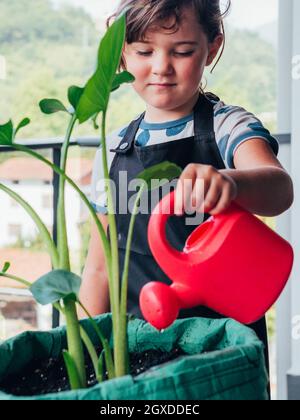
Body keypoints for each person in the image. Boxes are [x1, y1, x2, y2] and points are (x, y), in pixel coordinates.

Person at [79, 0, 294, 386]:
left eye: (182, 51)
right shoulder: (111, 148)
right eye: (144, 51)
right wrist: (86, 355)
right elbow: (99, 267)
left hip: (222, 350)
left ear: (212, 47)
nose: (161, 66)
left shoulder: (228, 126)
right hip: (137, 350)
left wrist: (231, 182)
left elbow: (280, 189)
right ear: (121, 55)